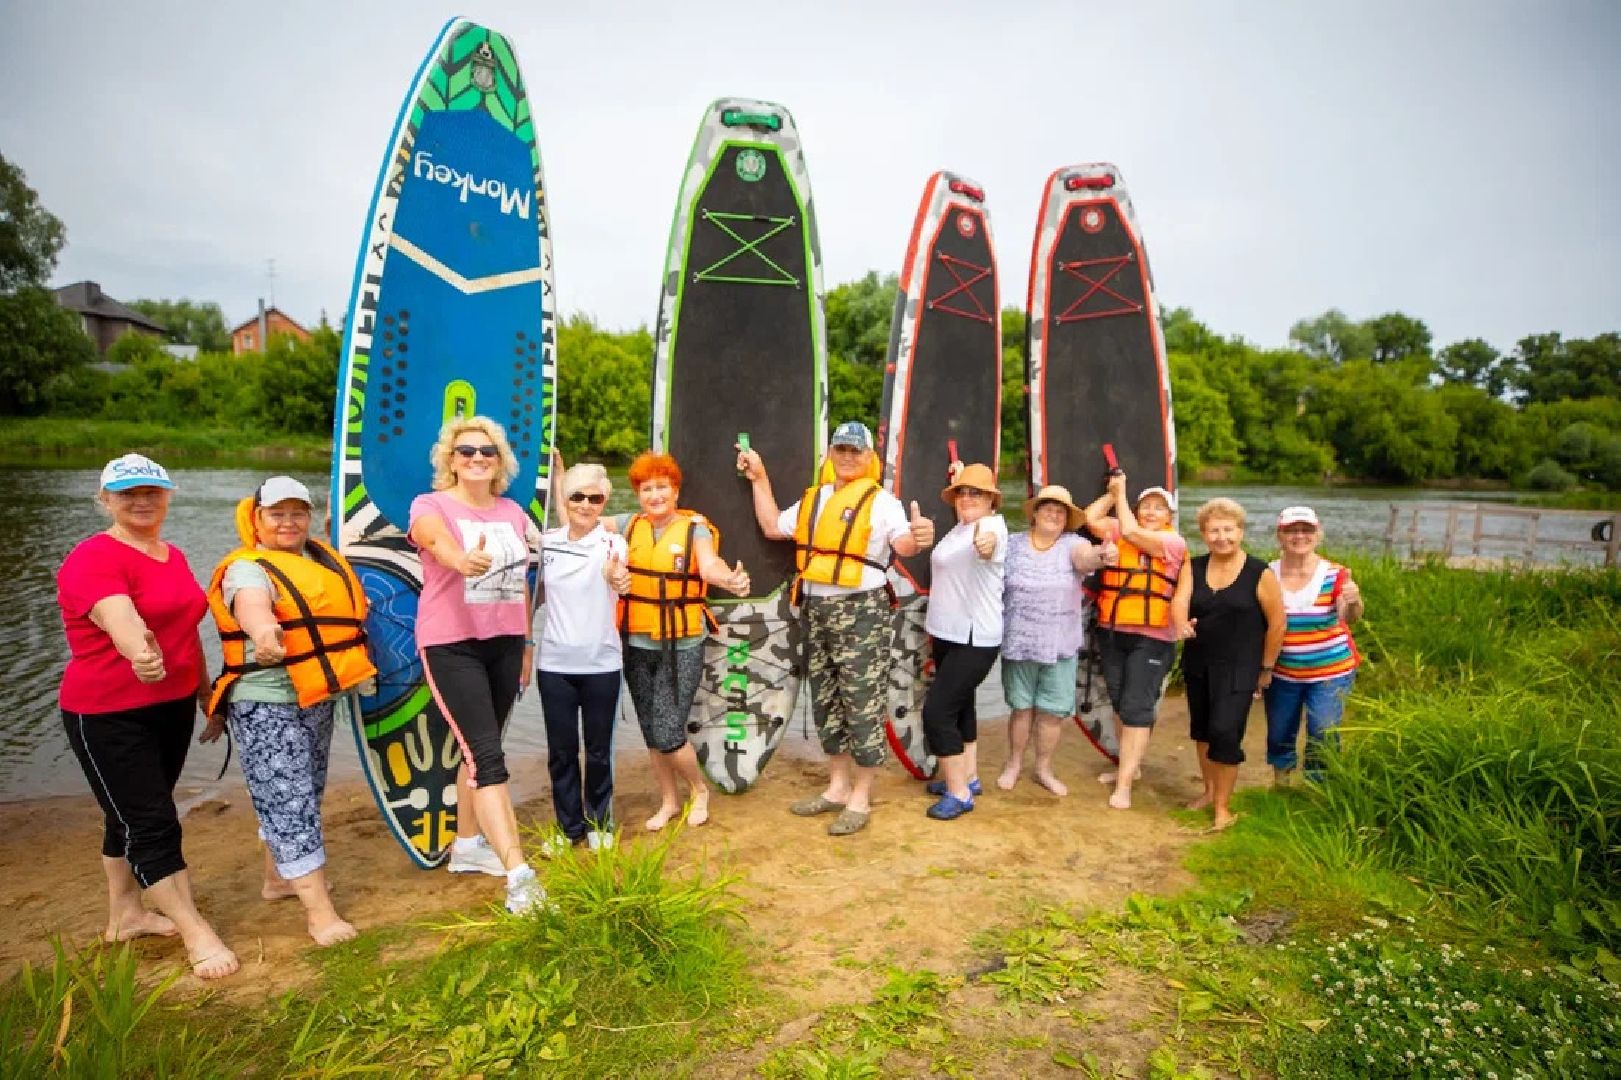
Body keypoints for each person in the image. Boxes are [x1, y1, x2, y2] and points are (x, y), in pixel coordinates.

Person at [56, 454, 238, 979]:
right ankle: (195, 931)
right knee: (153, 822)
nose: (140, 501)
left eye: (151, 492)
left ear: (167, 496)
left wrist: (207, 694)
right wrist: (140, 652)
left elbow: (183, 632)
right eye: (127, 493)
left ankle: (125, 914)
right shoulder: (92, 559)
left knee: (129, 815)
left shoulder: (171, 555)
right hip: (109, 714)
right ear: (105, 498)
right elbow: (120, 617)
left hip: (172, 706)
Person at [738, 421, 935, 836]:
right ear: (831, 453)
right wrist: (760, 478)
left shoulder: (883, 503)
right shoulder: (814, 499)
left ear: (869, 458)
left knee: (861, 701)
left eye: (855, 451)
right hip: (816, 610)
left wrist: (919, 538)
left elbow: (903, 545)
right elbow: (774, 526)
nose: (847, 457)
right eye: (840, 449)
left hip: (862, 611)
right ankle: (837, 788)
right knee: (826, 700)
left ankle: (861, 796)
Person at [204, 476, 374, 946]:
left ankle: (279, 880)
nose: (288, 521)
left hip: (315, 695)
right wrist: (263, 635)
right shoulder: (247, 568)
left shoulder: (317, 561)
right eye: (276, 513)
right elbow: (252, 607)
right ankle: (320, 915)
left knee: (303, 791)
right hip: (264, 700)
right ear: (255, 519)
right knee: (288, 800)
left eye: (297, 512)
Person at [409, 417, 543, 913]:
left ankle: (467, 847)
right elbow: (431, 539)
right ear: (451, 459)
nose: (477, 459)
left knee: (479, 751)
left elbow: (526, 584)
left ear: (500, 459)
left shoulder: (512, 512)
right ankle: (519, 877)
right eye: (466, 452)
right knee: (488, 757)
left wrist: (527, 643)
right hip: (452, 643)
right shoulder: (431, 505)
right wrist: (458, 559)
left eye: (486, 451)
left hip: (505, 643)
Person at [610, 451, 750, 832]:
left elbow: (708, 566)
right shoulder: (628, 525)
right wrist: (559, 484)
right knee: (651, 730)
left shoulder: (695, 528)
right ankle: (669, 800)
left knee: (669, 729)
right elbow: (581, 520)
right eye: (647, 488)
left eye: (662, 487)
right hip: (636, 641)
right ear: (638, 493)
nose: (655, 495)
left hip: (682, 644)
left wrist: (729, 580)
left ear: (675, 490)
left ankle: (698, 790)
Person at [1169, 497, 1286, 830]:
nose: (1221, 537)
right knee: (1203, 731)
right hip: (1199, 661)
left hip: (1240, 666)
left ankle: (1223, 808)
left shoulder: (1258, 572)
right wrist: (1179, 622)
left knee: (1225, 732)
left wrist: (1266, 668)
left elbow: (1277, 623)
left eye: (1228, 529)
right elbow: (1180, 600)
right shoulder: (1194, 565)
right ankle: (1208, 792)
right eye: (1214, 530)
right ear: (1204, 534)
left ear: (1240, 531)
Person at [997, 485, 1118, 796]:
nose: (1053, 514)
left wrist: (1102, 555)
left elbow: (1086, 559)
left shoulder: (1073, 544)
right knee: (1021, 708)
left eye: (1061, 511)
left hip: (1059, 645)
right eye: (1048, 507)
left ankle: (1043, 769)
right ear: (1035, 513)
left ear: (1066, 520)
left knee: (1051, 713)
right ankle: (1013, 764)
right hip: (1018, 642)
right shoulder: (1012, 544)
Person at [1082, 472, 1188, 810]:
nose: (1151, 512)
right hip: (1114, 631)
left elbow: (1130, 531)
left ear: (1170, 517)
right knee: (1119, 701)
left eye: (1159, 508)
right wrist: (1113, 495)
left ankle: (1124, 785)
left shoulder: (1173, 544)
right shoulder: (1119, 529)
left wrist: (1124, 492)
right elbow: (1090, 518)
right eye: (1146, 507)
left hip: (1153, 638)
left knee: (1137, 707)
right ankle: (1130, 767)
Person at [536, 462, 626, 850]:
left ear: (604, 501)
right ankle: (568, 828)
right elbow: (528, 593)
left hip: (602, 664)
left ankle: (599, 823)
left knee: (598, 750)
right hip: (554, 664)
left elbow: (619, 575)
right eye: (578, 496)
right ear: (566, 500)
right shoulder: (546, 542)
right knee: (561, 752)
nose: (586, 504)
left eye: (596, 498)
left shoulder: (612, 543)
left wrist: (617, 579)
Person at [917, 462, 1007, 820]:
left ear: (992, 501)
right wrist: (960, 472)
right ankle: (968, 777)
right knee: (962, 707)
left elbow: (990, 545)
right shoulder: (960, 528)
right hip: (947, 633)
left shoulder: (990, 527)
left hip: (975, 637)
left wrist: (986, 544)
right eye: (962, 493)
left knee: (937, 711)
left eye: (977, 493)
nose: (968, 498)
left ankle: (958, 793)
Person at [1264, 506, 1364, 784]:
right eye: (1291, 530)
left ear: (1318, 534)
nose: (1299, 536)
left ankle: (1317, 787)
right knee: (1280, 730)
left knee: (1323, 728)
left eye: (1306, 530)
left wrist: (1354, 600)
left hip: (1331, 671)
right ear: (1280, 535)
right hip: (1283, 672)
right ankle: (1281, 785)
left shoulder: (1336, 574)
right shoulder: (1267, 573)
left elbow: (1349, 617)